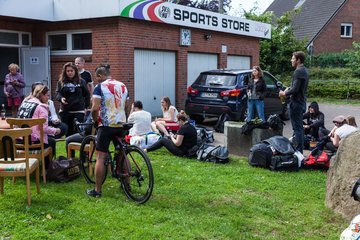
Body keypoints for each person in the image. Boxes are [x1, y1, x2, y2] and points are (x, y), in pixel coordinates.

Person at [86, 65, 130, 198]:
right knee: (123, 153)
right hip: (121, 124)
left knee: (100, 157)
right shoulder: (123, 86)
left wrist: (95, 121)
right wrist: (124, 118)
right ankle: (127, 184)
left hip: (106, 125)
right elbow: (127, 106)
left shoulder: (100, 87)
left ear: (100, 76)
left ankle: (97, 190)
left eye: (96, 77)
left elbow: (94, 108)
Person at [17, 84, 61, 163]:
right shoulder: (42, 107)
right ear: (41, 95)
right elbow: (44, 129)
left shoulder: (24, 104)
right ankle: (47, 169)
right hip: (33, 144)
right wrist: (55, 130)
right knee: (52, 142)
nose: (48, 98)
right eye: (47, 95)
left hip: (19, 142)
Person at [279, 51, 309, 153]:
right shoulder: (304, 70)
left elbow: (295, 89)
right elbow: (298, 87)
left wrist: (284, 93)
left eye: (293, 58)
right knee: (298, 128)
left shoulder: (298, 71)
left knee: (298, 129)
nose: (291, 60)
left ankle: (299, 152)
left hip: (296, 103)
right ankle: (298, 150)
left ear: (298, 60)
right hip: (301, 102)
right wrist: (289, 89)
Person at [56, 62, 90, 137]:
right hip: (65, 111)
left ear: (75, 71)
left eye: (71, 71)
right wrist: (61, 98)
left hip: (78, 110)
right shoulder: (61, 82)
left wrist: (86, 107)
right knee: (68, 132)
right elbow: (58, 93)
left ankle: (78, 147)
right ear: (65, 72)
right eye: (68, 71)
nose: (70, 73)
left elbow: (87, 95)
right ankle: (69, 148)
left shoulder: (81, 81)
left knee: (77, 132)